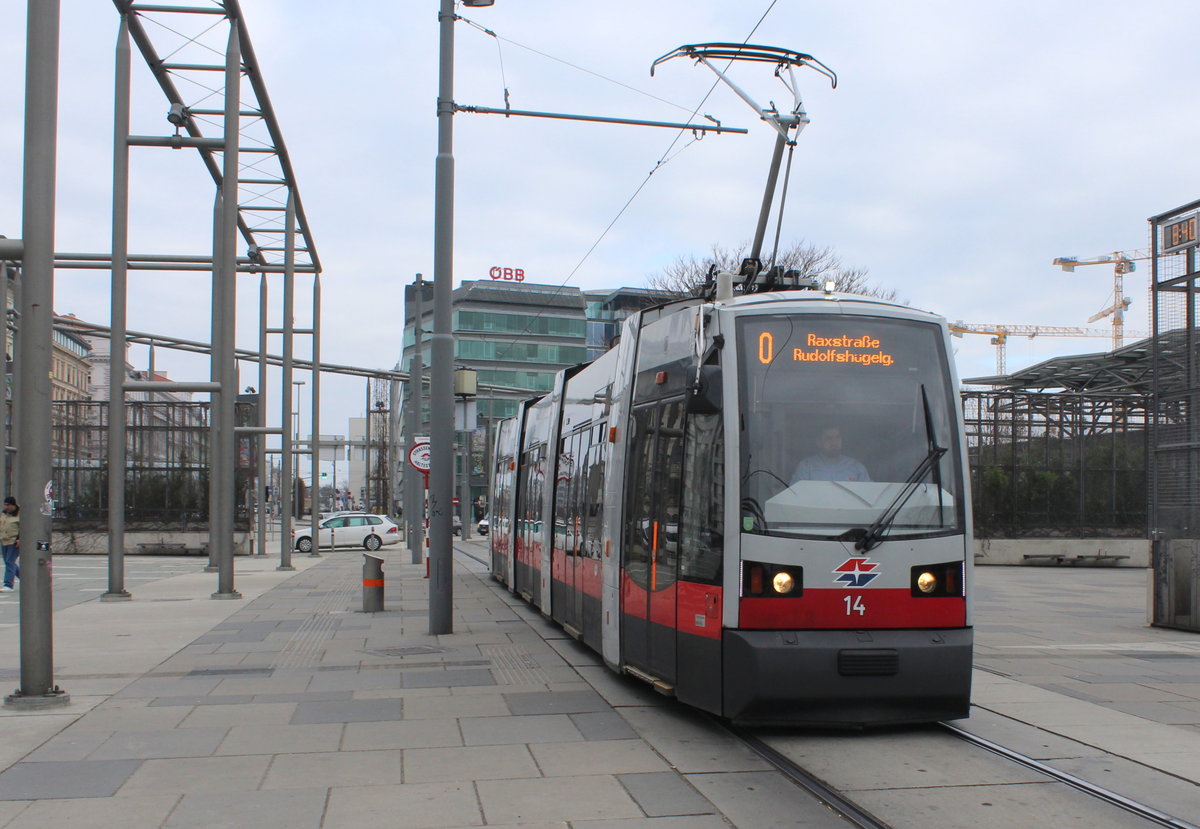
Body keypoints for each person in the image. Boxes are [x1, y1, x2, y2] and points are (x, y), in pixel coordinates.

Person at [792, 426, 870, 483]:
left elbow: (869, 495)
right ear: (819, 442)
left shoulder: (857, 467)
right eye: (828, 438)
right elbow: (795, 495)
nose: (834, 442)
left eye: (837, 437)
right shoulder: (806, 467)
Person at [1, 496, 19, 592]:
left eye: (8, 505)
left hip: (14, 542)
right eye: (5, 505)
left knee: (9, 562)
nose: (6, 507)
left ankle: (8, 584)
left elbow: (24, 528)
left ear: (13, 505)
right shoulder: (4, 514)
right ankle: (25, 578)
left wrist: (19, 539)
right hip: (4, 541)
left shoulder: (19, 514)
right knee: (9, 562)